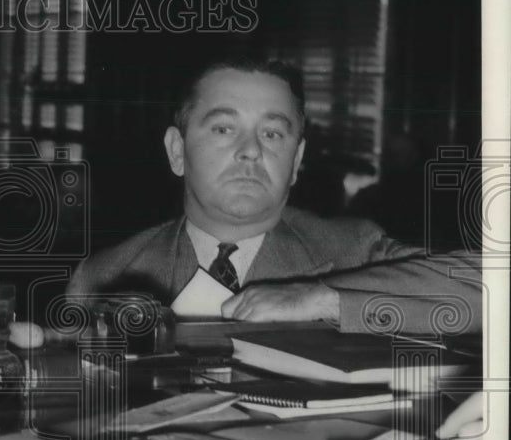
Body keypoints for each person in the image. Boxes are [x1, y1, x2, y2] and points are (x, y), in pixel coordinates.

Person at [67, 59, 482, 335]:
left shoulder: (353, 250)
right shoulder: (106, 275)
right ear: (177, 151)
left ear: (297, 158)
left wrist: (323, 299)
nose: (251, 150)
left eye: (272, 133)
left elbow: (492, 285)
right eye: (224, 129)